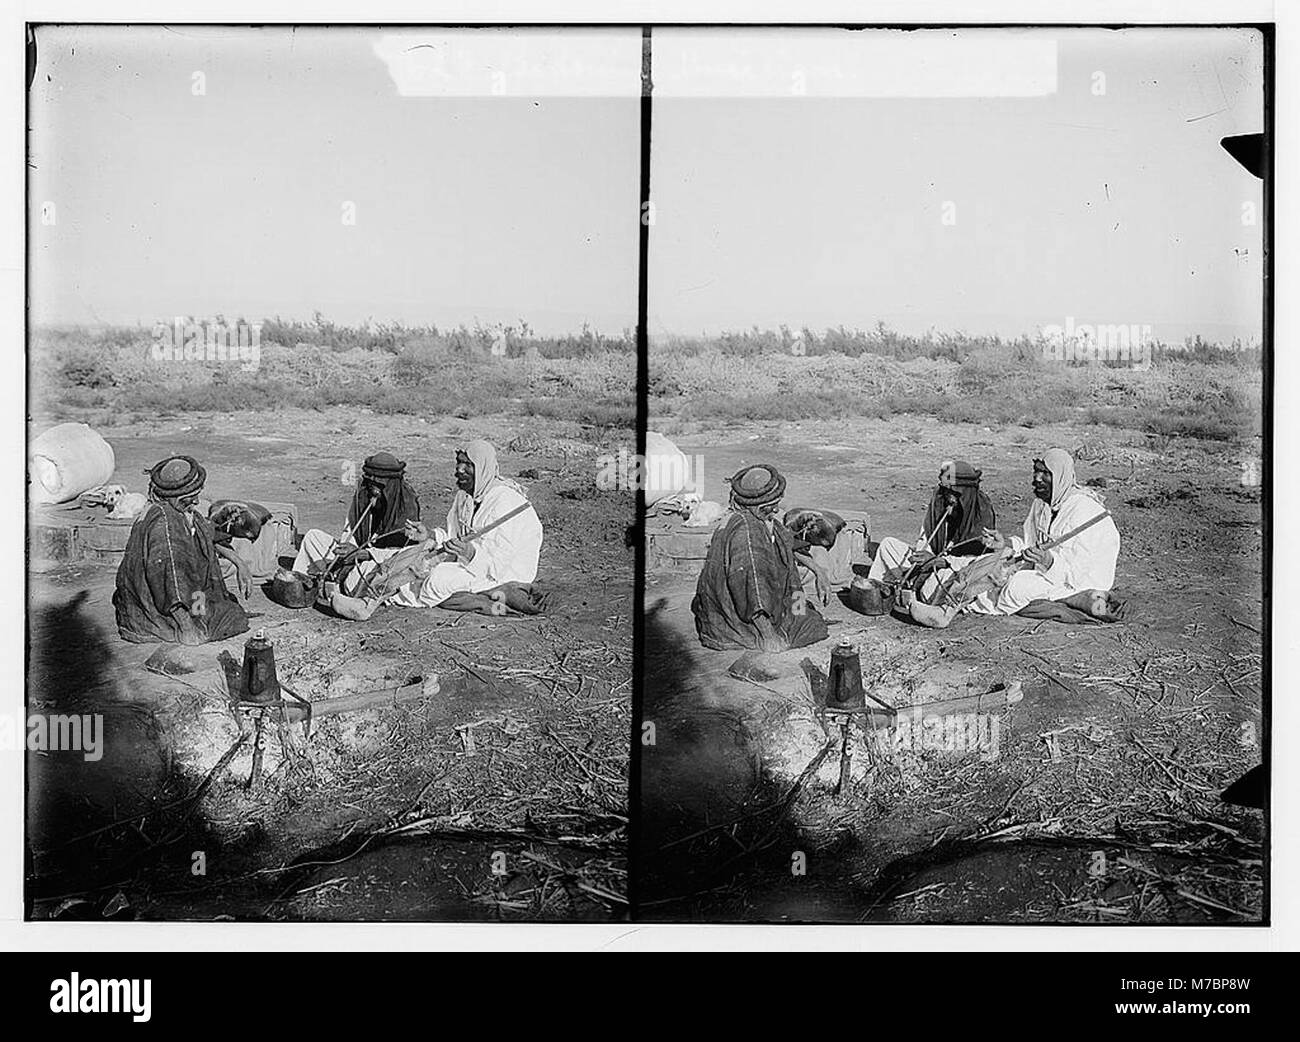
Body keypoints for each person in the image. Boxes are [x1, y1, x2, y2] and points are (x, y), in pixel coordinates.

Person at [906, 448, 1120, 627]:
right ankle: (946, 609)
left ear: (1061, 476)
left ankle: (959, 606)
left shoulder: (1086, 513)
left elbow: (1085, 571)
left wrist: (1049, 561)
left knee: (1015, 586)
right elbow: (1028, 542)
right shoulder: (1042, 505)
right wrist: (1005, 543)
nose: (1037, 478)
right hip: (1041, 570)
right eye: (1036, 472)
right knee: (985, 564)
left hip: (1074, 581)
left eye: (1045, 473)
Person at [331, 439, 545, 618]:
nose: (459, 470)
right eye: (459, 463)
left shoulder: (507, 503)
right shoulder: (465, 496)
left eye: (467, 465)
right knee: (407, 556)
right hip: (466, 561)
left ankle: (379, 600)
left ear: (483, 468)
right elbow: (452, 535)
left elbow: (500, 563)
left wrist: (469, 552)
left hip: (501, 572)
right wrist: (429, 534)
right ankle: (368, 601)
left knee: (438, 578)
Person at [113, 455, 249, 644]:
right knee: (231, 618)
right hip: (154, 608)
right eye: (189, 499)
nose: (195, 502)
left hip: (186, 592)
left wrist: (241, 564)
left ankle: (198, 616)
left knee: (226, 608)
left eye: (195, 496)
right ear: (175, 496)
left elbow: (208, 533)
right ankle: (188, 624)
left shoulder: (181, 512)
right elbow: (170, 583)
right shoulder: (165, 522)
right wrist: (188, 629)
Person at [691, 464, 828, 652]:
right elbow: (752, 589)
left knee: (803, 612)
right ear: (760, 505)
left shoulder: (762, 520)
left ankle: (795, 615)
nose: (776, 509)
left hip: (752, 602)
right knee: (812, 627)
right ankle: (768, 632)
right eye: (772, 506)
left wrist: (819, 572)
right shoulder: (747, 532)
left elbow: (788, 544)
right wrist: (769, 636)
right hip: (736, 615)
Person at [291, 451, 421, 577]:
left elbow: (405, 553)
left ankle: (340, 579)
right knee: (312, 537)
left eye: (379, 486)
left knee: (371, 570)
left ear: (391, 486)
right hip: (355, 555)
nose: (374, 490)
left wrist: (366, 554)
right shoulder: (364, 494)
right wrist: (349, 548)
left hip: (381, 562)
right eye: (371, 485)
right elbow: (350, 528)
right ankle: (304, 580)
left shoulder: (406, 506)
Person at [868, 459, 995, 587]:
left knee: (944, 580)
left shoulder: (982, 512)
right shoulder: (941, 502)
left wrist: (942, 561)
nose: (949, 498)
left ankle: (914, 589)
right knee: (887, 545)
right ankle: (876, 589)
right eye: (947, 492)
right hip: (930, 563)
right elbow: (925, 537)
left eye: (955, 494)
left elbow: (980, 561)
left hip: (955, 570)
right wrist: (922, 557)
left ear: (966, 493)